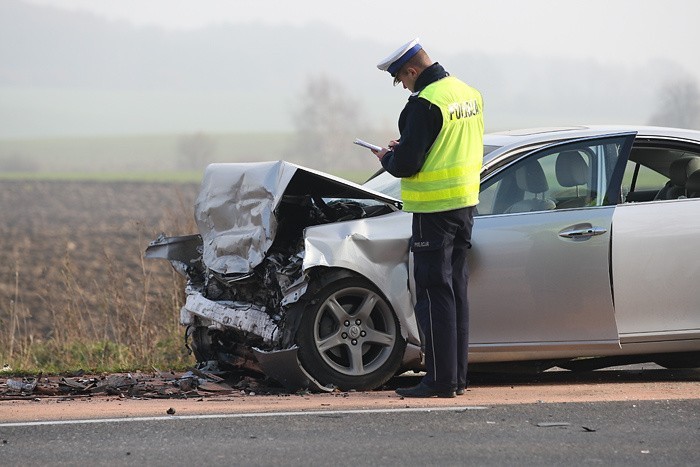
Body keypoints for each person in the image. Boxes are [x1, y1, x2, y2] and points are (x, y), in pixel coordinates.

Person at [372, 38, 484, 398]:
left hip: (433, 211)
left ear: (412, 70)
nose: (403, 86)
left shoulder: (424, 104)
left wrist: (387, 158)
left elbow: (407, 164)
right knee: (455, 292)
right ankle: (457, 379)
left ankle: (439, 380)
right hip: (465, 205)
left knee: (434, 293)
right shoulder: (468, 93)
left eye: (401, 79)